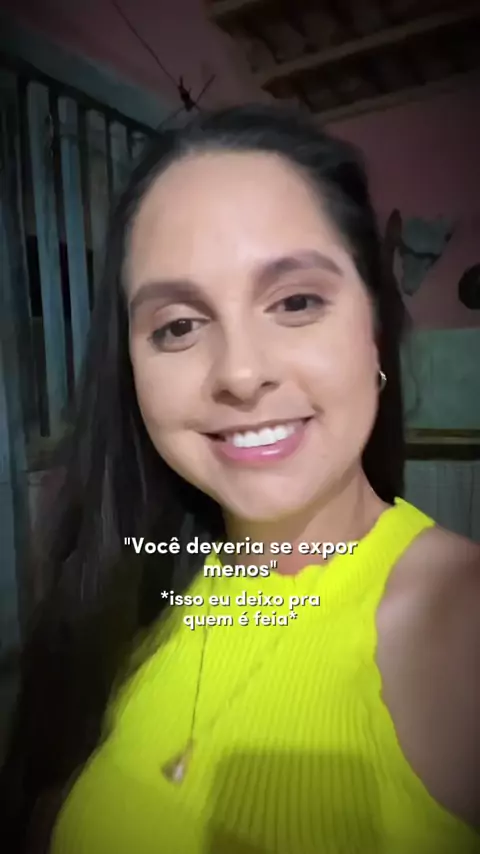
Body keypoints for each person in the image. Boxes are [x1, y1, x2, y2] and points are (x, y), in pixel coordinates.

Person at [1, 104, 479, 854]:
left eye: (296, 302)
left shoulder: (456, 620)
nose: (241, 373)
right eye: (179, 326)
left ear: (374, 328)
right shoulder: (134, 579)